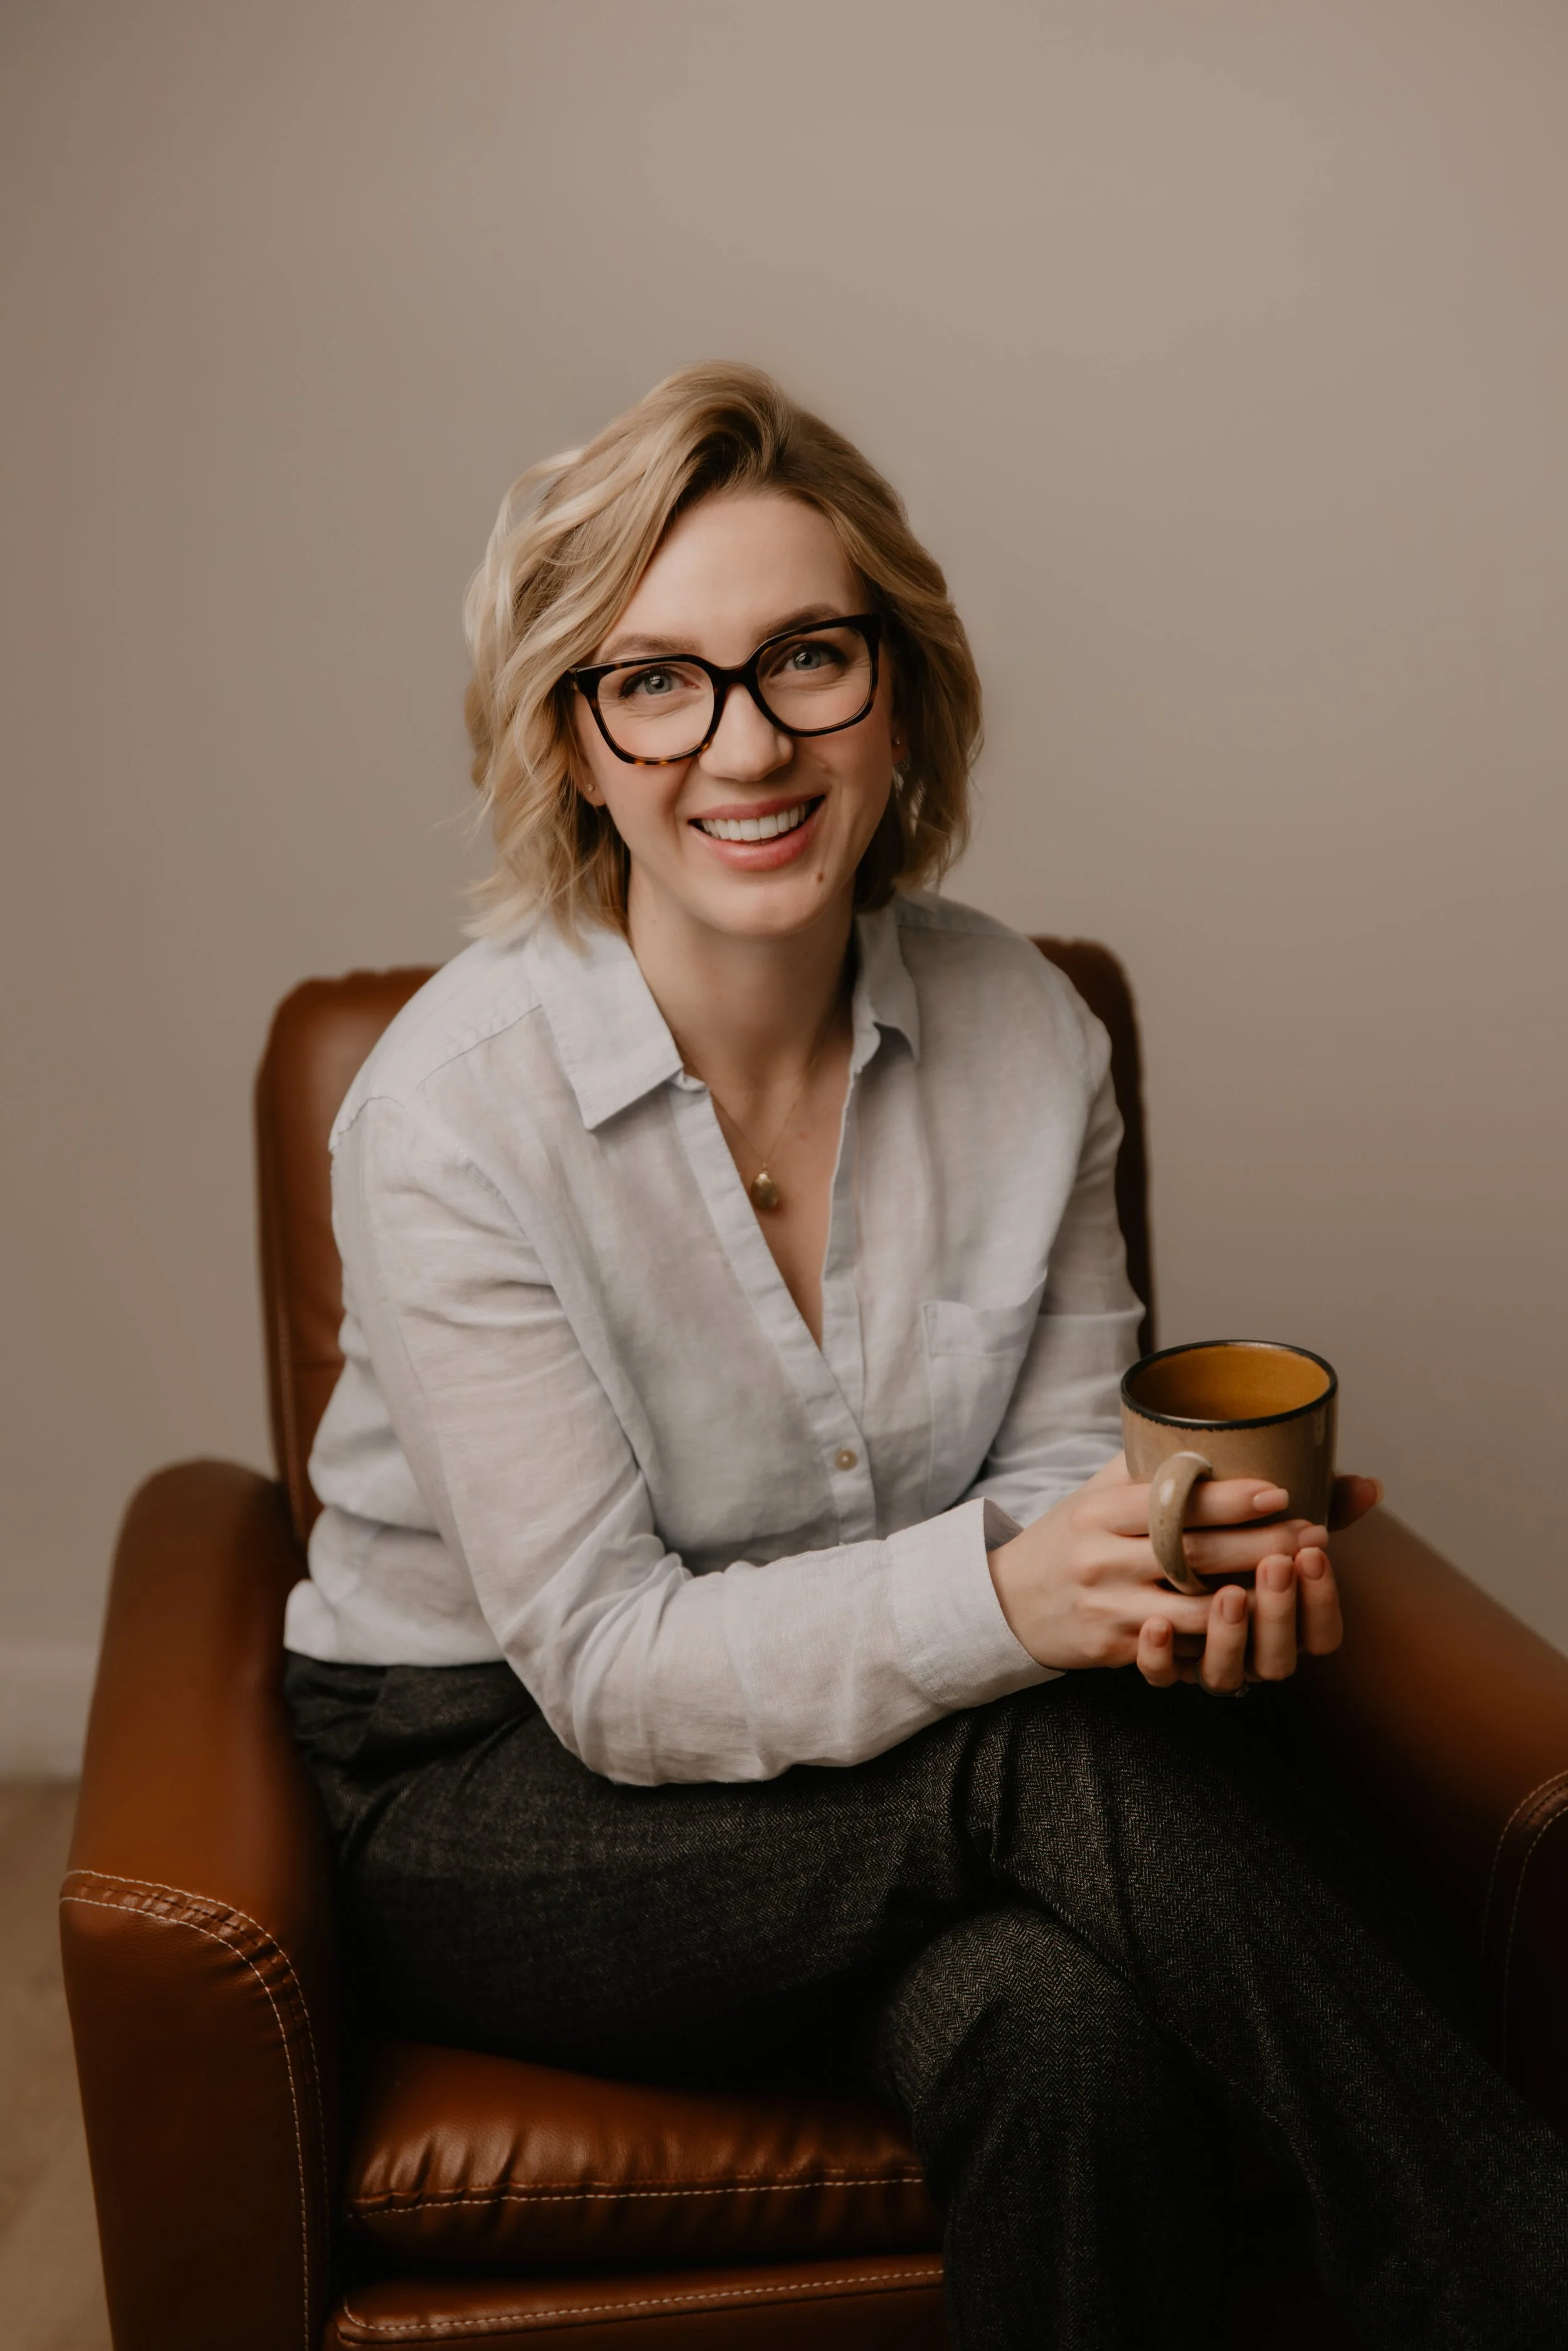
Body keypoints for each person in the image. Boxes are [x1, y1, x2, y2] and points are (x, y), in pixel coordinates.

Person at [283, 363, 1568, 2348]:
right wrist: (1021, 1600)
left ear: (900, 686)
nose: (746, 742)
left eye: (807, 656)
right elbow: (614, 1669)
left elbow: (1062, 1490)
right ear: (576, 742)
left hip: (901, 1776)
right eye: (657, 680)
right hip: (498, 1799)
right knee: (1043, 1743)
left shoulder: (1025, 1031)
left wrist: (1170, 1573)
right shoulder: (450, 1110)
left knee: (1055, 2030)